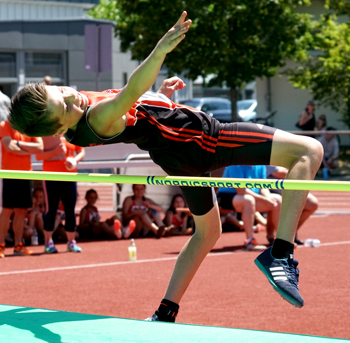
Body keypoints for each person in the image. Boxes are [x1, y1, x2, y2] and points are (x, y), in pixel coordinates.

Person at [8, 12, 324, 318]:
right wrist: (160, 50)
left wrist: (161, 97)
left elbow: (139, 116)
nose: (70, 97)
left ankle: (166, 311)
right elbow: (131, 92)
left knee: (206, 233)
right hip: (201, 140)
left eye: (61, 91)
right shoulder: (95, 118)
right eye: (64, 106)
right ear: (62, 129)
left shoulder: (83, 112)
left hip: (175, 152)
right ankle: (280, 254)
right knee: (309, 150)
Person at [0, 120, 43, 257]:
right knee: (7, 210)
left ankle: (18, 245)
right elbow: (8, 147)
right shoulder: (4, 125)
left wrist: (17, 144)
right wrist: (28, 149)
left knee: (21, 211)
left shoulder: (30, 126)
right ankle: (1, 245)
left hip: (26, 173)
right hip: (9, 172)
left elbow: (40, 147)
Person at [35, 135, 85, 253]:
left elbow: (82, 151)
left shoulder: (71, 132)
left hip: (69, 175)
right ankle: (48, 242)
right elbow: (38, 156)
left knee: (70, 209)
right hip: (51, 175)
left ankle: (71, 242)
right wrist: (55, 151)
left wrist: (74, 160)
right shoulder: (47, 132)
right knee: (51, 208)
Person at [217, 165, 281, 251]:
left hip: (251, 197)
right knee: (248, 200)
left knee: (277, 200)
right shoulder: (235, 164)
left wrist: (268, 198)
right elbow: (241, 190)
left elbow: (263, 186)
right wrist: (264, 199)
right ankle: (250, 241)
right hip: (227, 197)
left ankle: (276, 239)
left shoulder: (261, 165)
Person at [265, 165, 319, 245]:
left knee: (312, 204)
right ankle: (271, 235)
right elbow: (280, 172)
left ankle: (290, 234)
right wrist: (297, 173)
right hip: (273, 188)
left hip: (291, 186)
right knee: (276, 202)